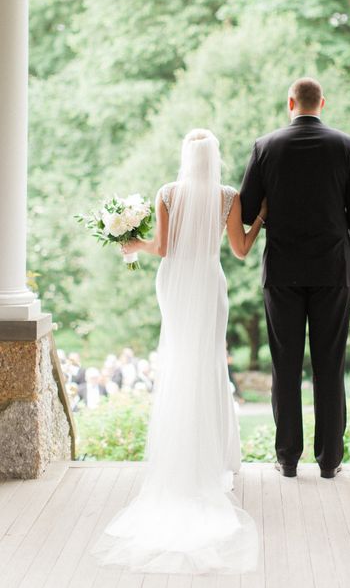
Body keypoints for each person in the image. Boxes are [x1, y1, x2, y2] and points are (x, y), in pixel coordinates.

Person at [89, 128, 264, 574]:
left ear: (186, 157)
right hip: (208, 282)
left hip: (175, 282)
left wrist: (134, 244)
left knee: (181, 364)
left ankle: (184, 454)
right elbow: (241, 251)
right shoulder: (229, 196)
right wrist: (260, 216)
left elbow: (163, 248)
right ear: (215, 157)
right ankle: (218, 456)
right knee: (208, 365)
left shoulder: (168, 192)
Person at [240, 76, 350, 480]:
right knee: (329, 366)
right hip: (334, 271)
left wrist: (268, 210)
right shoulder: (347, 147)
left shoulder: (265, 147)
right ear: (322, 103)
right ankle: (330, 461)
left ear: (290, 103)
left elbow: (246, 210)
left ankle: (288, 459)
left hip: (282, 270)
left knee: (285, 364)